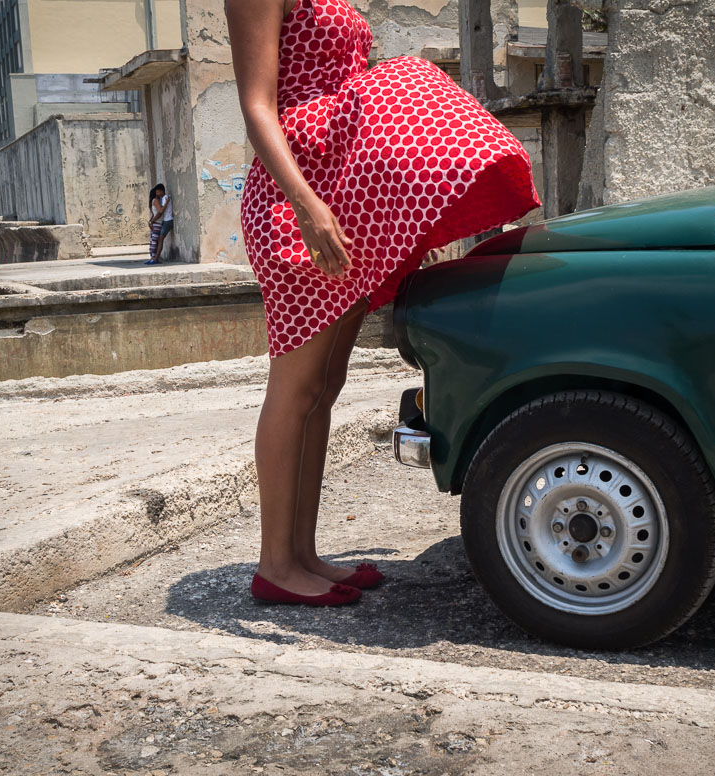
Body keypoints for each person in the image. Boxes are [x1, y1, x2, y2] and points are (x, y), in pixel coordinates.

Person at [228, 0, 538, 606]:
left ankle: (302, 553)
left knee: (324, 387)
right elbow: (258, 106)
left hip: (343, 194)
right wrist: (306, 204)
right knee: (294, 387)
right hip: (297, 205)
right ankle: (275, 564)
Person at [146, 184, 165, 264]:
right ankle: (154, 258)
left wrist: (151, 221)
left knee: (153, 241)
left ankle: (153, 257)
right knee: (155, 241)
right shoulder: (156, 201)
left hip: (156, 223)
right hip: (157, 223)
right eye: (159, 191)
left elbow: (154, 213)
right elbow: (159, 212)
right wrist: (152, 221)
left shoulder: (155, 200)